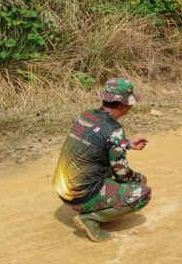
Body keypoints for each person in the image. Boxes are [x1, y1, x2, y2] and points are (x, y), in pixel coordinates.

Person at [53, 78, 151, 242]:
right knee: (142, 192)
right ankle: (91, 218)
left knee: (105, 167)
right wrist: (139, 179)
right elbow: (123, 175)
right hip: (80, 196)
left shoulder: (86, 115)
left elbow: (96, 141)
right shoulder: (114, 130)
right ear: (123, 105)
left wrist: (126, 144)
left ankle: (96, 207)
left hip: (63, 189)